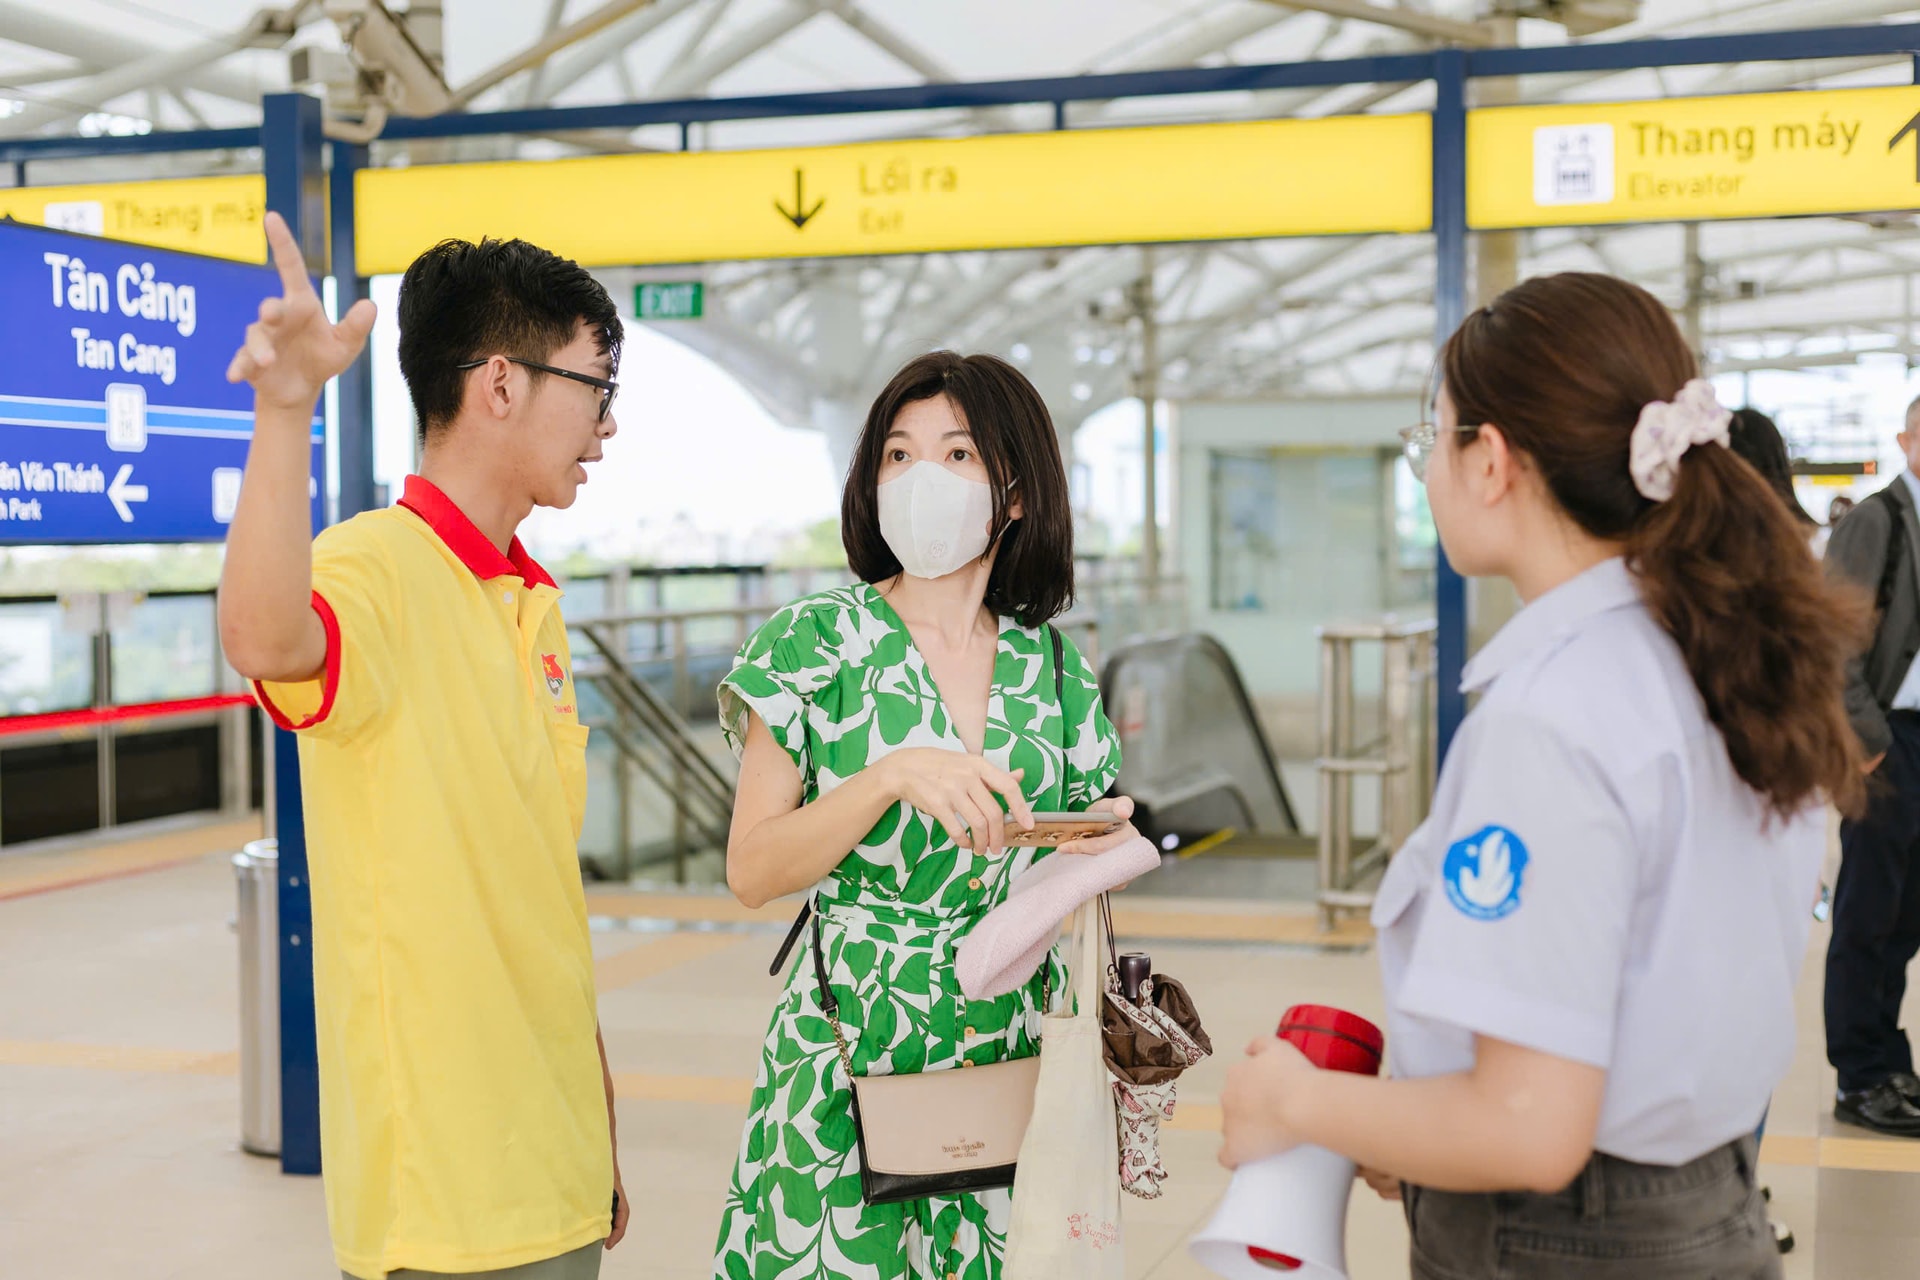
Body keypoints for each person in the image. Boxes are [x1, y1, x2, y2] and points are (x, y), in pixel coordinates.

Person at [1216, 273, 1866, 1278]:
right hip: (1706, 1208)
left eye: (1431, 437)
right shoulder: (1724, 663)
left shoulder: (1553, 713)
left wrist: (1294, 1100)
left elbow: (1530, 1127)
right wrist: (1409, 1119)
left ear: (1492, 459)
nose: (1427, 468)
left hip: (1562, 1239)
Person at [218, 215, 629, 1279]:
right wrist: (284, 410)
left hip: (557, 1164)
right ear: (501, 383)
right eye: (595, 385)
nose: (606, 424)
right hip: (445, 1204)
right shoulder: (374, 569)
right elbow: (266, 636)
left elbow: (538, 891)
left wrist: (597, 1124)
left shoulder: (528, 598)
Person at [711, 351, 1136, 1280]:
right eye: (896, 456)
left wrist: (1101, 836)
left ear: (1016, 494)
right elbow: (752, 870)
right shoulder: (813, 643)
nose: (917, 480)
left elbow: (1084, 838)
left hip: (1008, 1050)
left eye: (955, 455)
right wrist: (887, 777)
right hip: (845, 1045)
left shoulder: (1052, 667)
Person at [1821, 393, 1920, 1138]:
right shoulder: (1876, 520)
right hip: (1889, 737)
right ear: (1906, 440)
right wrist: (1869, 742)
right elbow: (1831, 638)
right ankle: (1861, 1076)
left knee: (1907, 911)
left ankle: (1890, 1064)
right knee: (1869, 910)